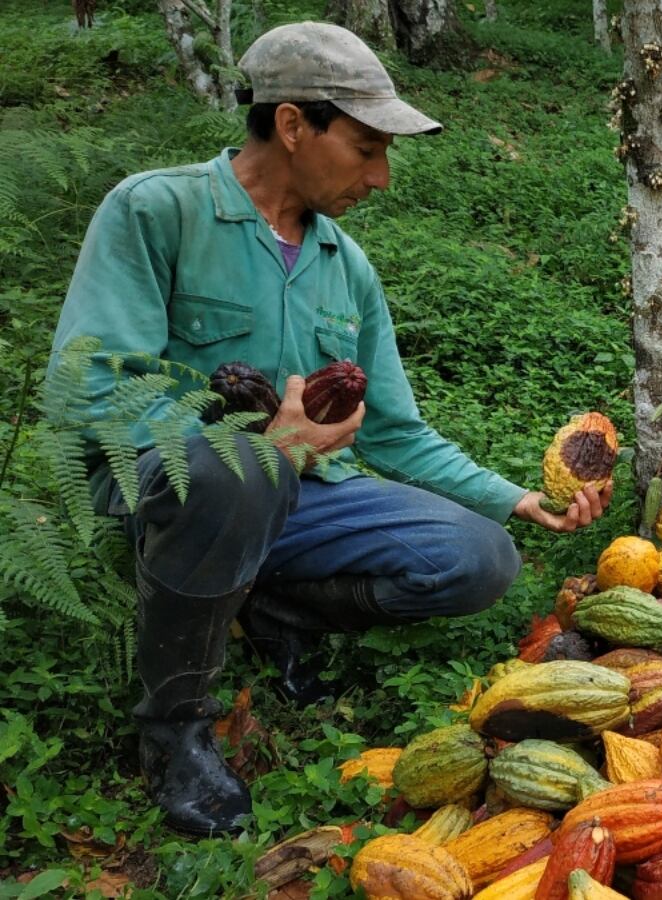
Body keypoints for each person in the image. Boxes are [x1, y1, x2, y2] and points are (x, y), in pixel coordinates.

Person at [47, 21, 611, 837]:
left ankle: (272, 606)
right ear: (291, 124)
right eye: (366, 148)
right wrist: (257, 445)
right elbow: (89, 387)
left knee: (479, 559)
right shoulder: (157, 211)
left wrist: (518, 500)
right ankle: (175, 728)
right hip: (178, 487)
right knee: (235, 471)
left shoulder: (345, 265)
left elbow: (395, 431)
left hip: (301, 498)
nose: (381, 177)